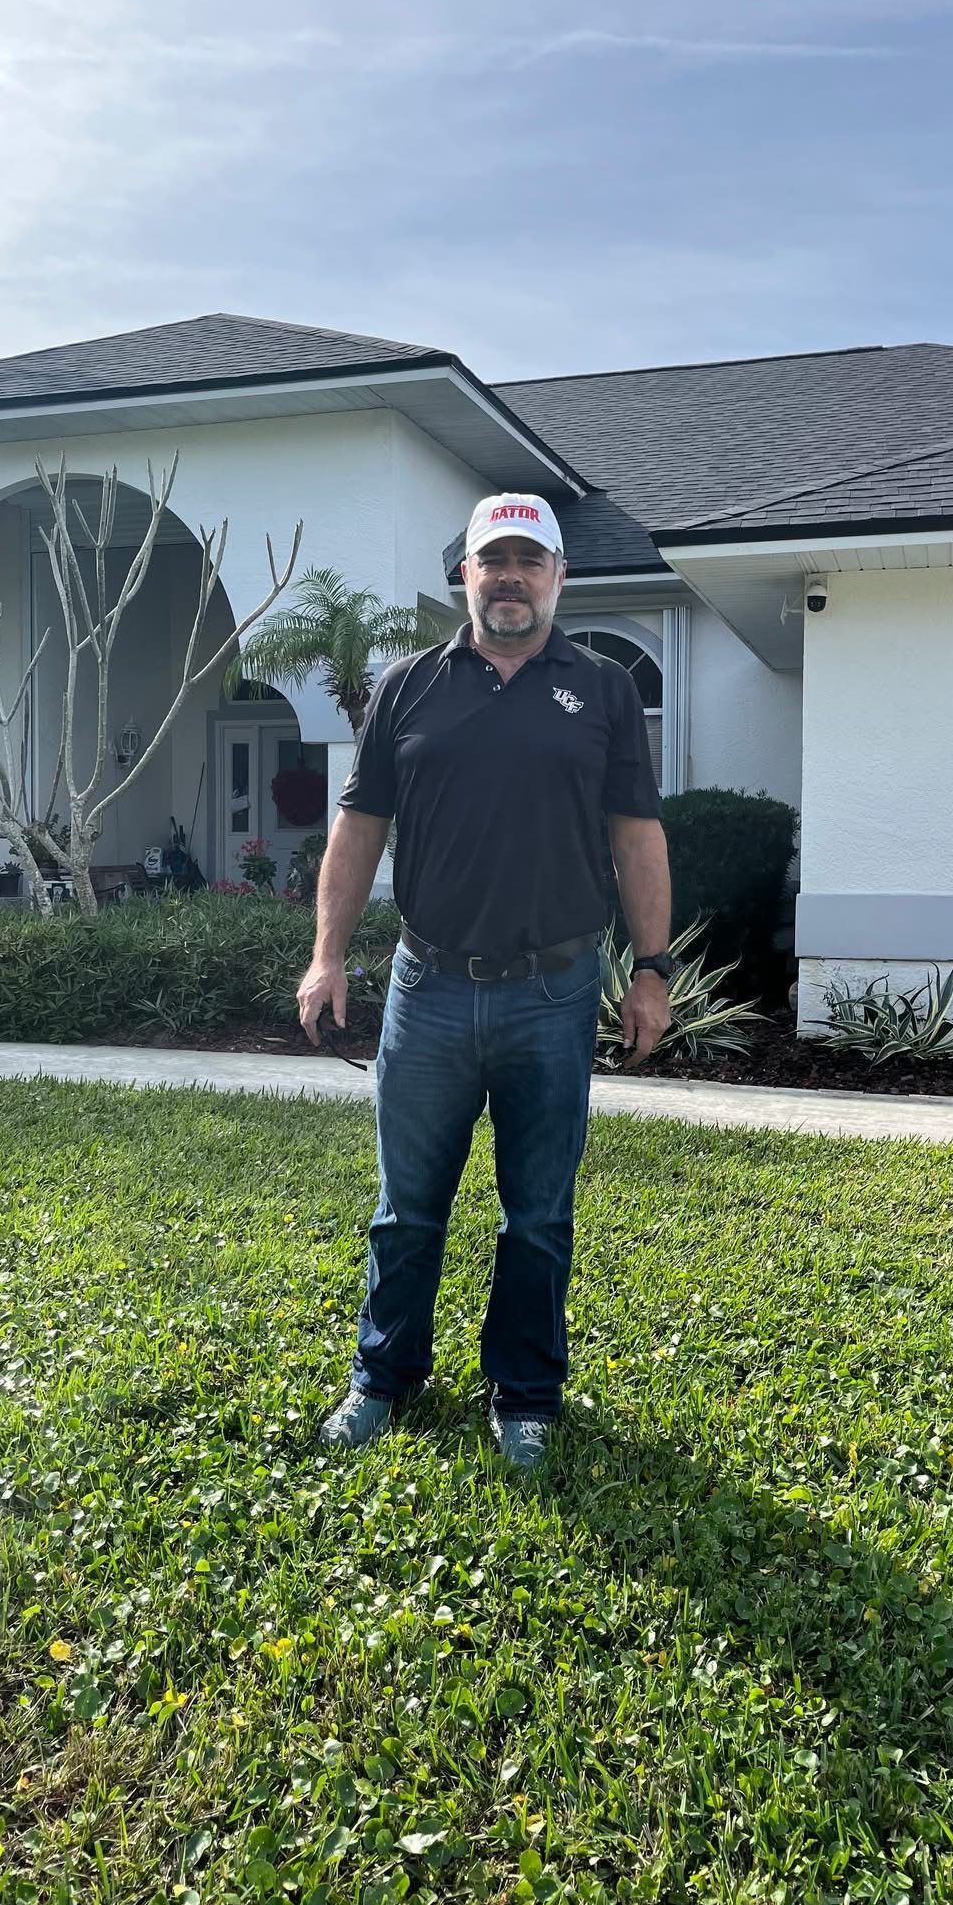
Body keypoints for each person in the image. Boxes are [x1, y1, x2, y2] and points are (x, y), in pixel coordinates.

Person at [296, 492, 674, 1467]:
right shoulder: (407, 686)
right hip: (428, 988)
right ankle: (383, 1377)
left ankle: (524, 1392)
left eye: (528, 560)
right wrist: (328, 953)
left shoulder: (601, 691)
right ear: (464, 573)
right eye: (491, 559)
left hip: (553, 990)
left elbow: (637, 833)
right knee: (405, 1204)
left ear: (558, 577)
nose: (509, 576)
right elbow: (358, 830)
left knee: (538, 1211)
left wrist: (653, 968)